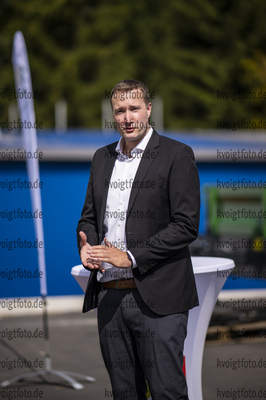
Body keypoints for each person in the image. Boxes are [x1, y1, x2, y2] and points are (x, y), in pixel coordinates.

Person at [77, 79, 200, 400]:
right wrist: (86, 244)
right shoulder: (101, 158)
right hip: (110, 298)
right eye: (120, 111)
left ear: (148, 109)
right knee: (124, 393)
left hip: (159, 302)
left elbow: (186, 225)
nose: (127, 117)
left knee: (166, 392)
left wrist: (129, 257)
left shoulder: (177, 155)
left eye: (134, 109)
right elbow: (89, 217)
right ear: (112, 114)